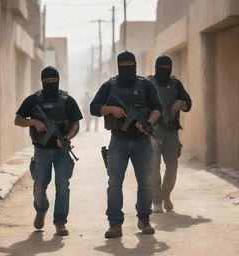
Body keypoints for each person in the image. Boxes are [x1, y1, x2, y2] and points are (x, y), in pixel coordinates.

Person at [90, 51, 162, 238]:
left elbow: (157, 108)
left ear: (136, 64)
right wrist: (112, 109)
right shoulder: (109, 86)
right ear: (118, 65)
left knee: (145, 183)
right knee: (114, 183)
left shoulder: (146, 84)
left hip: (142, 142)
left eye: (131, 63)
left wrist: (149, 124)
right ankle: (115, 224)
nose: (127, 66)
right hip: (118, 141)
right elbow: (94, 107)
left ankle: (144, 219)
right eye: (124, 64)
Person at [14, 66, 83, 236]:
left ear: (58, 80)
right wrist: (33, 123)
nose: (50, 83)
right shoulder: (33, 100)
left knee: (62, 186)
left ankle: (60, 222)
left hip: (61, 151)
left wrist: (67, 138)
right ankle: (41, 209)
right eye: (47, 81)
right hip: (42, 150)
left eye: (54, 81)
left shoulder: (67, 100)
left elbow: (76, 124)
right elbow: (18, 120)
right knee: (39, 186)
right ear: (42, 81)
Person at [147, 55, 192, 213]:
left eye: (168, 67)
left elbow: (188, 103)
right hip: (153, 132)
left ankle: (166, 195)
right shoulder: (149, 83)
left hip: (171, 131)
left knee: (172, 165)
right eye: (163, 67)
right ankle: (156, 199)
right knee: (153, 166)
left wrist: (179, 104)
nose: (165, 70)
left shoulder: (175, 83)